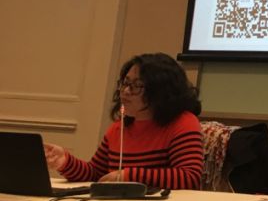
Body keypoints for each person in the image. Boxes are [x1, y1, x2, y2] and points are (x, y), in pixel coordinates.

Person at [44, 53, 204, 190]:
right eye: (125, 83)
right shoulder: (118, 128)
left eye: (137, 86)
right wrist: (65, 162)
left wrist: (128, 176)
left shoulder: (183, 123)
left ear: (160, 91)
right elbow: (96, 174)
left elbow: (189, 177)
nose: (126, 91)